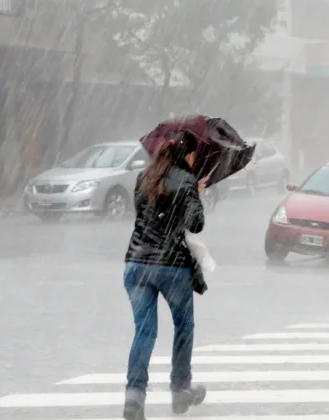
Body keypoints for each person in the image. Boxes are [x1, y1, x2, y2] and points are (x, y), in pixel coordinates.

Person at [123, 131, 207, 420]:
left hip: (136, 264)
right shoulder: (186, 181)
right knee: (184, 327)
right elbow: (196, 224)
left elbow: (146, 213)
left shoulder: (143, 177)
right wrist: (195, 192)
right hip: (171, 266)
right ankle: (180, 391)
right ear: (188, 155)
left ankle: (134, 398)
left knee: (144, 332)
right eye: (195, 155)